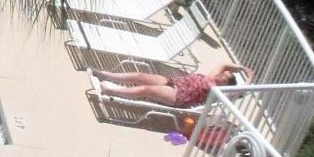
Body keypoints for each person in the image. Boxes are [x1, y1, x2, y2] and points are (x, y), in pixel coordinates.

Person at [93, 61, 242, 109]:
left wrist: (247, 83)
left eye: (225, 76)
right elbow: (224, 64)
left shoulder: (217, 91)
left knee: (146, 90)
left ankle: (111, 91)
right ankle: (105, 75)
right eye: (223, 73)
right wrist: (243, 69)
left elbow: (238, 93)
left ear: (226, 84)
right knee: (139, 76)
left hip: (179, 96)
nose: (222, 74)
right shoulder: (211, 77)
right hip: (174, 82)